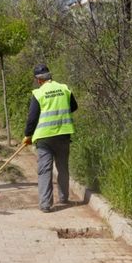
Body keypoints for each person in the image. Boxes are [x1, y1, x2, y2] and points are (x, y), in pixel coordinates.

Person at [22, 64, 78, 213]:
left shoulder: (39, 93)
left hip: (44, 138)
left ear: (38, 80)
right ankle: (64, 197)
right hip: (63, 134)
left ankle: (46, 204)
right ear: (50, 76)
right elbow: (73, 106)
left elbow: (32, 118)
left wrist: (28, 135)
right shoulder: (64, 88)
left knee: (45, 170)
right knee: (63, 167)